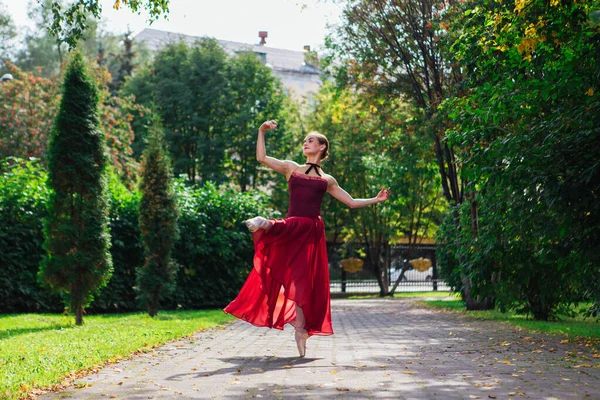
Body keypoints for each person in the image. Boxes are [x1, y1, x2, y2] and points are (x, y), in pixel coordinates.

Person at [223, 120, 391, 357]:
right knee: (293, 225)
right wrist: (261, 131)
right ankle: (266, 224)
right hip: (294, 227)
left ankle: (301, 330)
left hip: (311, 234)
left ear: (322, 147)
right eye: (304, 141)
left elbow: (351, 202)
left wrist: (375, 199)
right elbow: (262, 158)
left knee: (303, 283)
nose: (305, 143)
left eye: (310, 140)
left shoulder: (327, 179)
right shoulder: (292, 167)